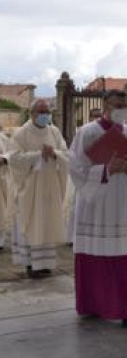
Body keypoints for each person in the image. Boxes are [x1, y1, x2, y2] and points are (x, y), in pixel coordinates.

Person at [69, 90, 127, 327]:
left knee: (125, 257)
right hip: (94, 206)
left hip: (119, 204)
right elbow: (76, 169)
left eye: (124, 106)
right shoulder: (86, 132)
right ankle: (93, 305)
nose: (122, 110)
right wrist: (107, 169)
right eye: (118, 105)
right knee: (93, 256)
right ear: (105, 106)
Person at [8, 99, 69, 278]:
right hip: (30, 189)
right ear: (32, 113)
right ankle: (31, 265)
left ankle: (45, 264)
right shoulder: (21, 133)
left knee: (48, 223)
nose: (45, 115)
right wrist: (38, 156)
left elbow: (65, 153)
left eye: (47, 112)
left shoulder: (54, 131)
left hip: (50, 187)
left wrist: (55, 154)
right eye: (41, 112)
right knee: (31, 223)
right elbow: (14, 158)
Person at [64, 107, 103, 245]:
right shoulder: (83, 132)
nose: (97, 118)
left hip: (101, 176)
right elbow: (74, 154)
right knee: (77, 207)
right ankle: (73, 237)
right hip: (84, 175)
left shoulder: (105, 132)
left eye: (99, 115)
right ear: (90, 117)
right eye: (95, 116)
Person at [0, 127, 12, 251]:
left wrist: (4, 159)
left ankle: (0, 240)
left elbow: (11, 152)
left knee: (1, 210)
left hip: (1, 178)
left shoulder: (3, 138)